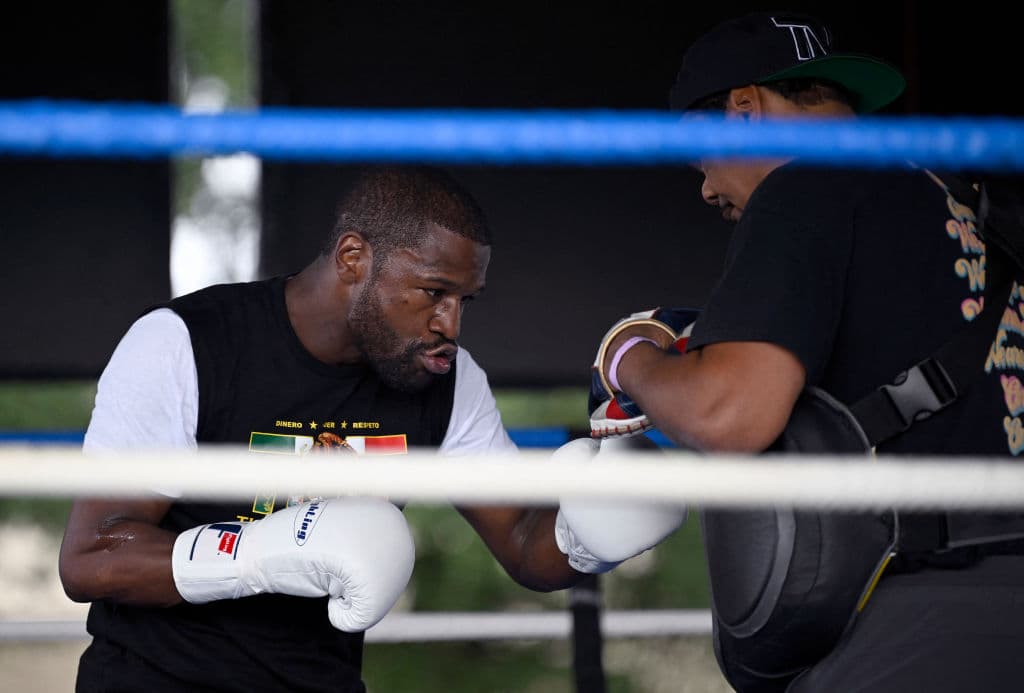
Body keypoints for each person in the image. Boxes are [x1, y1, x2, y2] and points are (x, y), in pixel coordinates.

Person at [58, 165, 671, 693]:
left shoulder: (448, 381)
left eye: (465, 301)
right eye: (433, 292)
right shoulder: (186, 344)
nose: (450, 324)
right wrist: (264, 553)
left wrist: (584, 534)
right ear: (355, 259)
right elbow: (89, 558)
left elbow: (523, 543)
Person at [590, 10, 1024, 693]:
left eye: (702, 157)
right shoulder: (957, 197)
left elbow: (730, 411)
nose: (706, 186)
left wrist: (629, 355)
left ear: (743, 110)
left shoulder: (803, 184)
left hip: (925, 616)